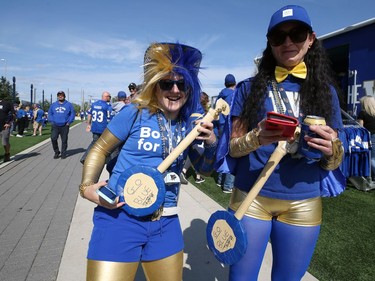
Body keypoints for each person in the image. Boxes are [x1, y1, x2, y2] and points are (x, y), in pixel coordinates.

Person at [218, 5, 344, 280]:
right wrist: (256, 138)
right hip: (251, 197)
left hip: (303, 201)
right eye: (279, 37)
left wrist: (332, 148)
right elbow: (232, 146)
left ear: (311, 39)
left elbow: (336, 159)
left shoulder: (326, 91)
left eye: (297, 34)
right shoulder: (248, 88)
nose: (288, 42)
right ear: (270, 43)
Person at [79, 42, 217, 281]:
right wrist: (86, 187)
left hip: (166, 222)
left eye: (181, 84)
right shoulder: (135, 112)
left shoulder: (189, 124)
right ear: (155, 85)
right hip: (119, 217)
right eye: (167, 83)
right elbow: (100, 148)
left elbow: (204, 169)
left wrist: (212, 142)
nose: (175, 90)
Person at [180, 91, 210, 184]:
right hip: (195, 137)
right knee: (200, 152)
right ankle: (188, 172)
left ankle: (196, 175)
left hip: (186, 134)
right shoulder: (202, 112)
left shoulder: (192, 108)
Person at [215, 74, 237, 193]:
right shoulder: (235, 94)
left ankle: (219, 180)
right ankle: (228, 185)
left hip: (220, 127)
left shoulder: (220, 95)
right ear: (234, 83)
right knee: (232, 155)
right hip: (230, 127)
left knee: (221, 152)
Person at [80, 91, 112, 164]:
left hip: (95, 127)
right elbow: (109, 117)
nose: (110, 98)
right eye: (109, 97)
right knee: (106, 144)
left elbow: (89, 115)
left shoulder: (94, 104)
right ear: (106, 97)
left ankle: (85, 157)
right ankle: (105, 159)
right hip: (103, 128)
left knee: (94, 143)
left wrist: (88, 124)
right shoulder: (107, 106)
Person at [48, 91, 75, 159]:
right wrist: (52, 121)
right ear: (57, 96)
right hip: (55, 125)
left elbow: (72, 113)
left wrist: (69, 122)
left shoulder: (69, 104)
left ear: (64, 96)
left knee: (64, 140)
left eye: (62, 95)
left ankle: (63, 153)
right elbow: (50, 113)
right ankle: (56, 152)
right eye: (59, 95)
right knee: (53, 138)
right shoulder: (53, 105)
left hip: (65, 125)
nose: (60, 96)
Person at [357, 95, 375, 180]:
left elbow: (360, 127)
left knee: (371, 159)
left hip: (370, 137)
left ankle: (370, 176)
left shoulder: (362, 113)